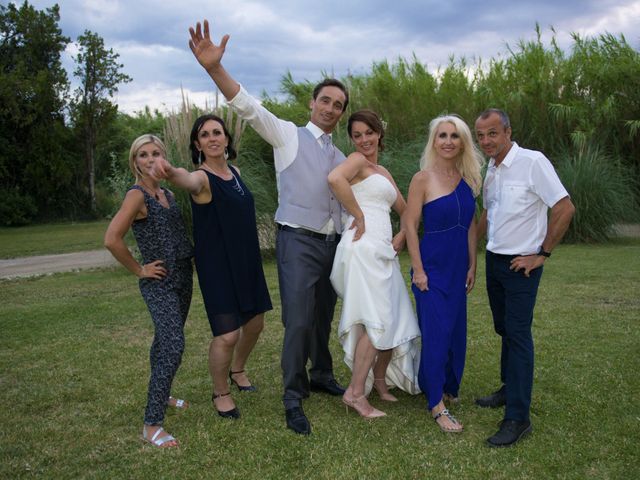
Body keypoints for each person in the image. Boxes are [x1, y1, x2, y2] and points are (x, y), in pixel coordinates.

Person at [186, 19, 348, 435]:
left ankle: (321, 373)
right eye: (325, 101)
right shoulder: (288, 136)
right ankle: (293, 397)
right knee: (297, 321)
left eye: (338, 105)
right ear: (312, 104)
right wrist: (214, 69)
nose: (330, 109)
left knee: (323, 317)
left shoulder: (342, 154)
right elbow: (248, 106)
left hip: (333, 244)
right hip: (296, 241)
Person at [153, 114, 272, 420]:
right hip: (218, 266)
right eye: (205, 135)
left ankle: (238, 368)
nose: (212, 138)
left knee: (255, 323)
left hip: (247, 259)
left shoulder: (237, 171)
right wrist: (170, 172)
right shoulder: (202, 178)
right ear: (198, 144)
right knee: (227, 335)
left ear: (227, 139)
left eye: (217, 132)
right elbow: (185, 179)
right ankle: (221, 392)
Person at [474, 108, 575, 447]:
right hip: (495, 261)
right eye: (481, 136)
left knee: (517, 334)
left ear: (507, 132)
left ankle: (518, 417)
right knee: (503, 328)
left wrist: (541, 254)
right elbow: (489, 212)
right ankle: (508, 388)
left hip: (522, 266)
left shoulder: (532, 162)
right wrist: (468, 250)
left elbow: (564, 207)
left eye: (492, 133)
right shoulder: (491, 168)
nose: (486, 141)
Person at [329, 110, 421, 419]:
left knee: (389, 316)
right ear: (352, 139)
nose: (364, 140)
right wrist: (358, 213)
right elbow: (334, 179)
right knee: (374, 319)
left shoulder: (382, 170)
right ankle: (355, 393)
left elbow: (407, 210)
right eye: (357, 135)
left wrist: (401, 237)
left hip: (384, 250)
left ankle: (379, 383)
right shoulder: (356, 161)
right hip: (364, 248)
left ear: (379, 133)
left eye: (369, 133)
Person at [104, 134, 194, 448]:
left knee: (164, 341)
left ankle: (163, 391)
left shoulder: (167, 192)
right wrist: (140, 269)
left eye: (156, 153)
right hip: (159, 282)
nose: (151, 159)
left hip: (184, 276)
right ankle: (151, 424)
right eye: (143, 155)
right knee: (173, 344)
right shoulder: (137, 195)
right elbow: (112, 238)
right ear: (135, 162)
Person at [404, 115, 483, 433]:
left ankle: (446, 384)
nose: (448, 141)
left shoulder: (469, 179)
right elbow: (410, 225)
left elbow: (471, 227)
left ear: (463, 142)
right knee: (435, 335)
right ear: (433, 141)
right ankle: (436, 403)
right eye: (442, 135)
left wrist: (473, 264)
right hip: (432, 267)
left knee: (453, 332)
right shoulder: (422, 179)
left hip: (457, 268)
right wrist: (419, 270)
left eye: (455, 136)